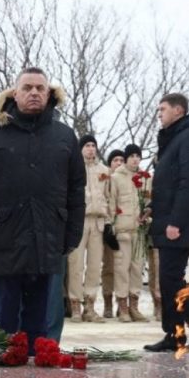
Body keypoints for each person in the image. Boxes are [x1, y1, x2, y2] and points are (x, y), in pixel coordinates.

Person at [0, 67, 85, 351]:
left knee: (42, 317)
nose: (34, 93)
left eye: (40, 88)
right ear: (15, 93)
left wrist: (73, 234)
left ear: (49, 93)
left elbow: (76, 189)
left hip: (50, 235)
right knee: (5, 315)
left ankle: (37, 363)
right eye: (27, 88)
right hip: (6, 234)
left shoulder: (64, 135)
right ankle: (4, 360)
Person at [144, 94, 189, 352]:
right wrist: (153, 208)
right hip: (167, 219)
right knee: (168, 281)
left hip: (178, 224)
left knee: (172, 279)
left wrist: (176, 221)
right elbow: (169, 183)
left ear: (178, 110)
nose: (159, 114)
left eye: (162, 109)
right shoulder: (174, 137)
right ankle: (174, 335)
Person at [67, 135, 111, 323]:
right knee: (76, 264)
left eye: (93, 145)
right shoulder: (73, 168)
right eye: (87, 145)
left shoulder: (104, 171)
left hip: (98, 221)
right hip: (79, 221)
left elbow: (109, 197)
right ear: (80, 149)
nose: (91, 149)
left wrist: (109, 222)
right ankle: (75, 304)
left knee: (94, 266)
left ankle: (90, 306)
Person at [107, 145, 148, 323]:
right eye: (131, 156)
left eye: (138, 156)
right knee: (122, 269)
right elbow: (111, 203)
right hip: (122, 229)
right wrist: (110, 227)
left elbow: (149, 201)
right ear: (126, 158)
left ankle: (134, 306)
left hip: (139, 231)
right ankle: (122, 306)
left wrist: (147, 217)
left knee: (137, 269)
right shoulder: (116, 177)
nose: (135, 159)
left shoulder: (144, 178)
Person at [100, 149, 125, 318]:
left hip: (125, 227)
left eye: (121, 160)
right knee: (109, 267)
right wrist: (107, 226)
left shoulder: (128, 180)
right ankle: (107, 302)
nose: (119, 163)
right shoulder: (105, 179)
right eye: (115, 160)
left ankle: (122, 303)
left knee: (123, 269)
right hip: (108, 228)